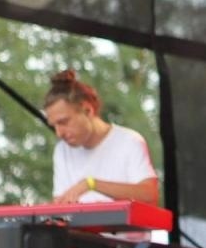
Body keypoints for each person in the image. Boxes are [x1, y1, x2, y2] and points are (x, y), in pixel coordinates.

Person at [42, 70, 160, 207]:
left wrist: (92, 184)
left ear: (88, 111)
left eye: (63, 122)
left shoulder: (129, 141)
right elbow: (61, 207)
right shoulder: (62, 150)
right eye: (54, 126)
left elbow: (150, 196)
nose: (59, 133)